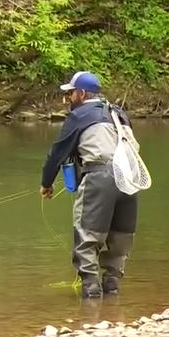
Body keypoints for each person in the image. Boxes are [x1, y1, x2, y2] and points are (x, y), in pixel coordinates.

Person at [40, 71, 138, 299]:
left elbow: (57, 154)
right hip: (130, 178)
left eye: (71, 93)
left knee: (87, 235)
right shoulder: (118, 113)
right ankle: (112, 288)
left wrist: (46, 183)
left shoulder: (79, 116)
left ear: (82, 94)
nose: (68, 99)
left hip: (99, 177)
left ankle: (92, 293)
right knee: (121, 237)